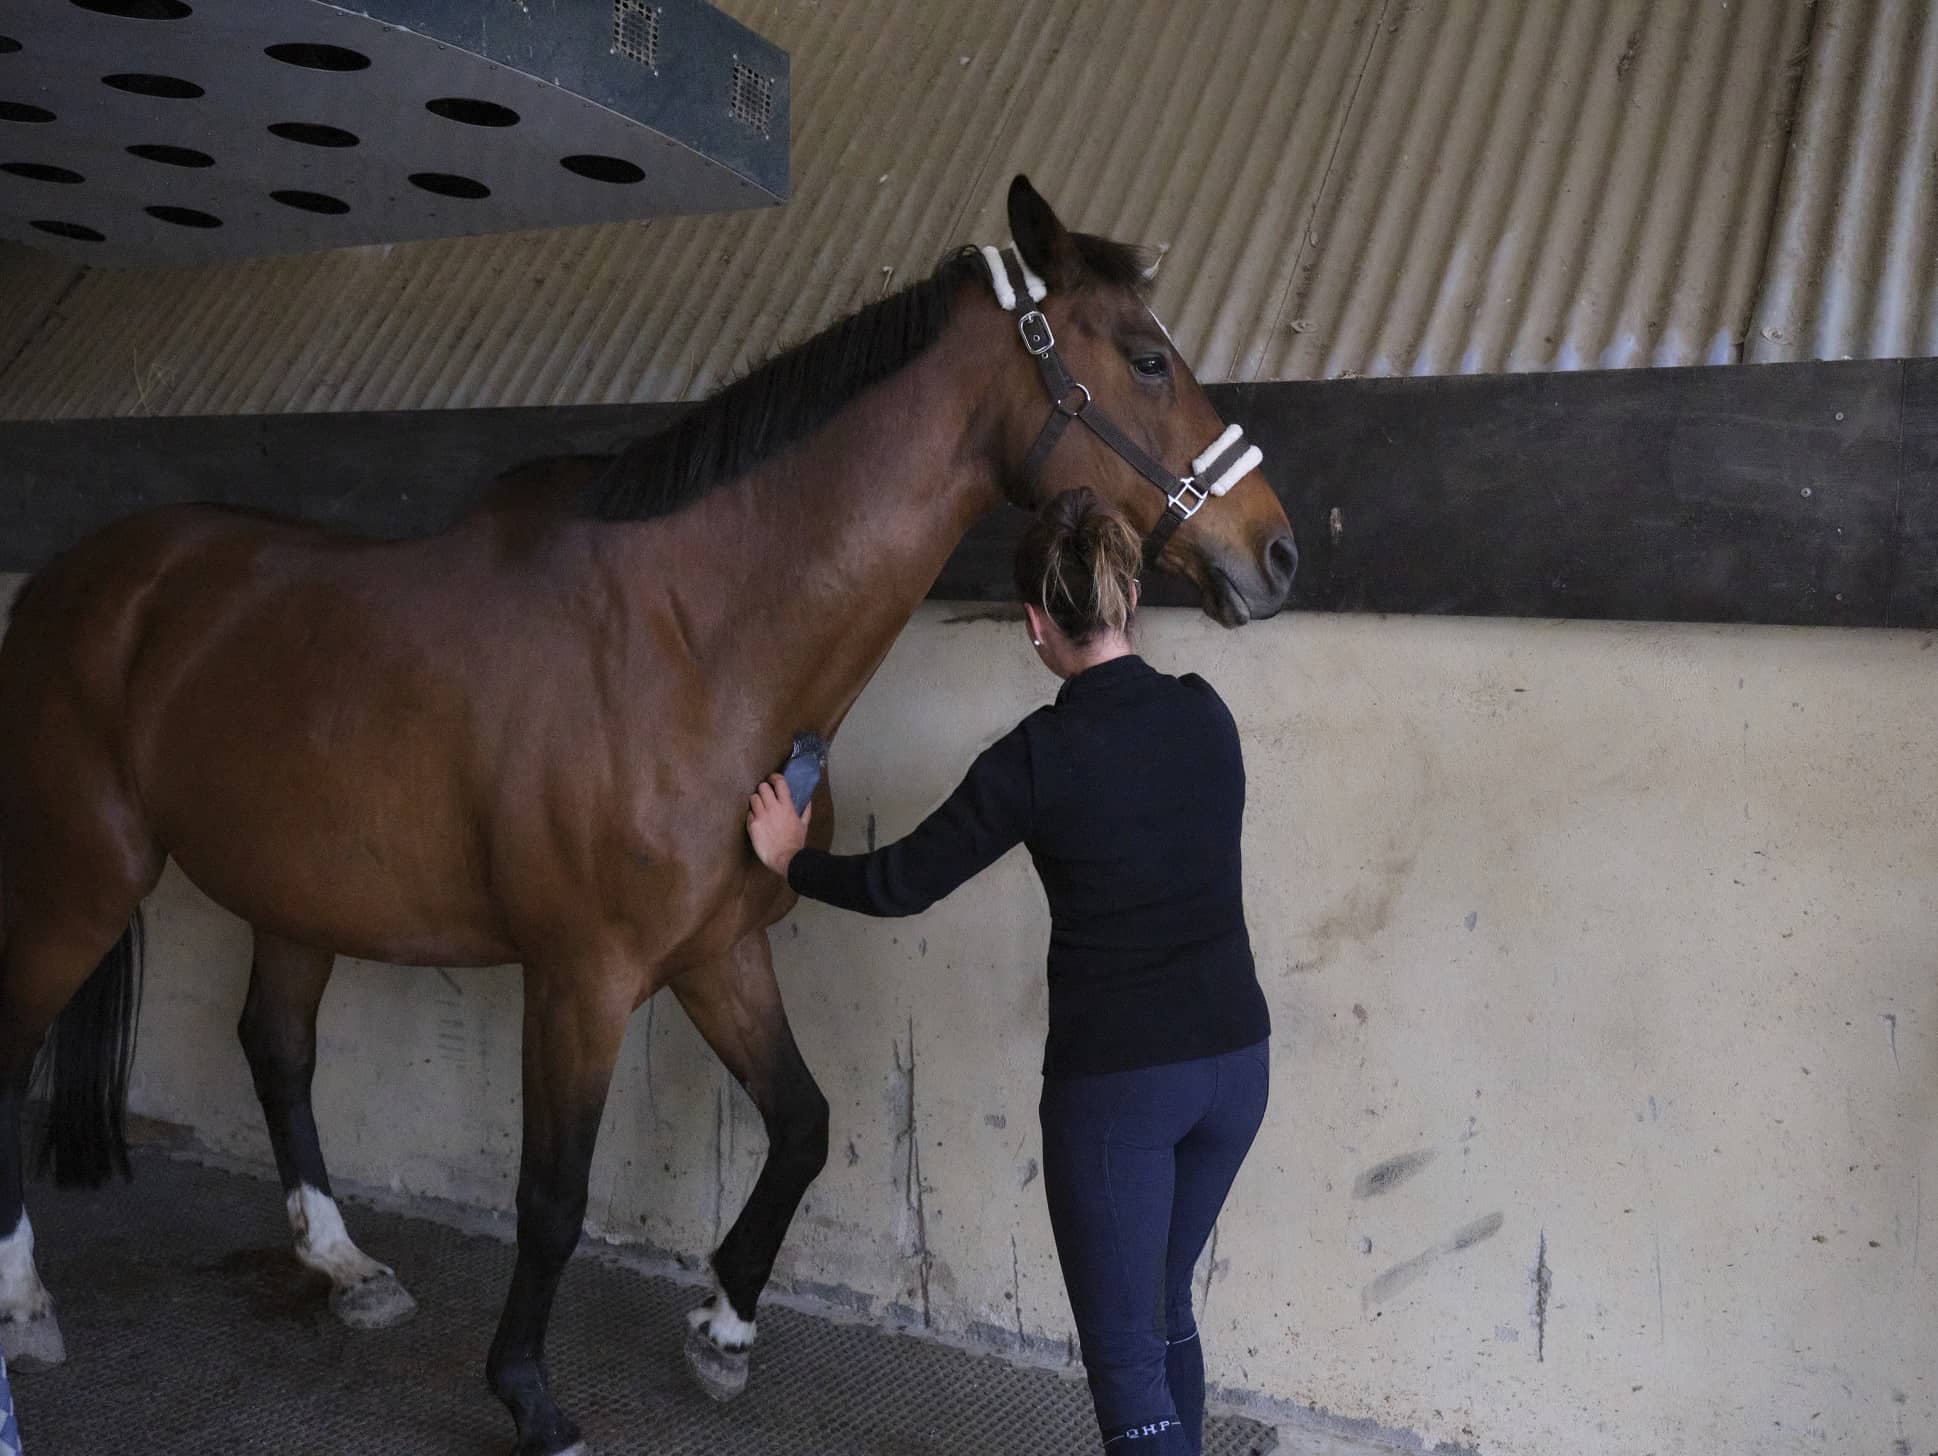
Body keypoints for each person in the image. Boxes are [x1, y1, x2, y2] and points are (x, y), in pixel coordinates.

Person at [746, 487, 1271, 1455]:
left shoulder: (1041, 756)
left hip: (1123, 1091)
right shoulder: (1208, 714)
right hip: (1238, 1066)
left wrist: (791, 860)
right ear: (1124, 602)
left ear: (1037, 627)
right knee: (1162, 1306)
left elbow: (902, 881)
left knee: (1126, 1366)